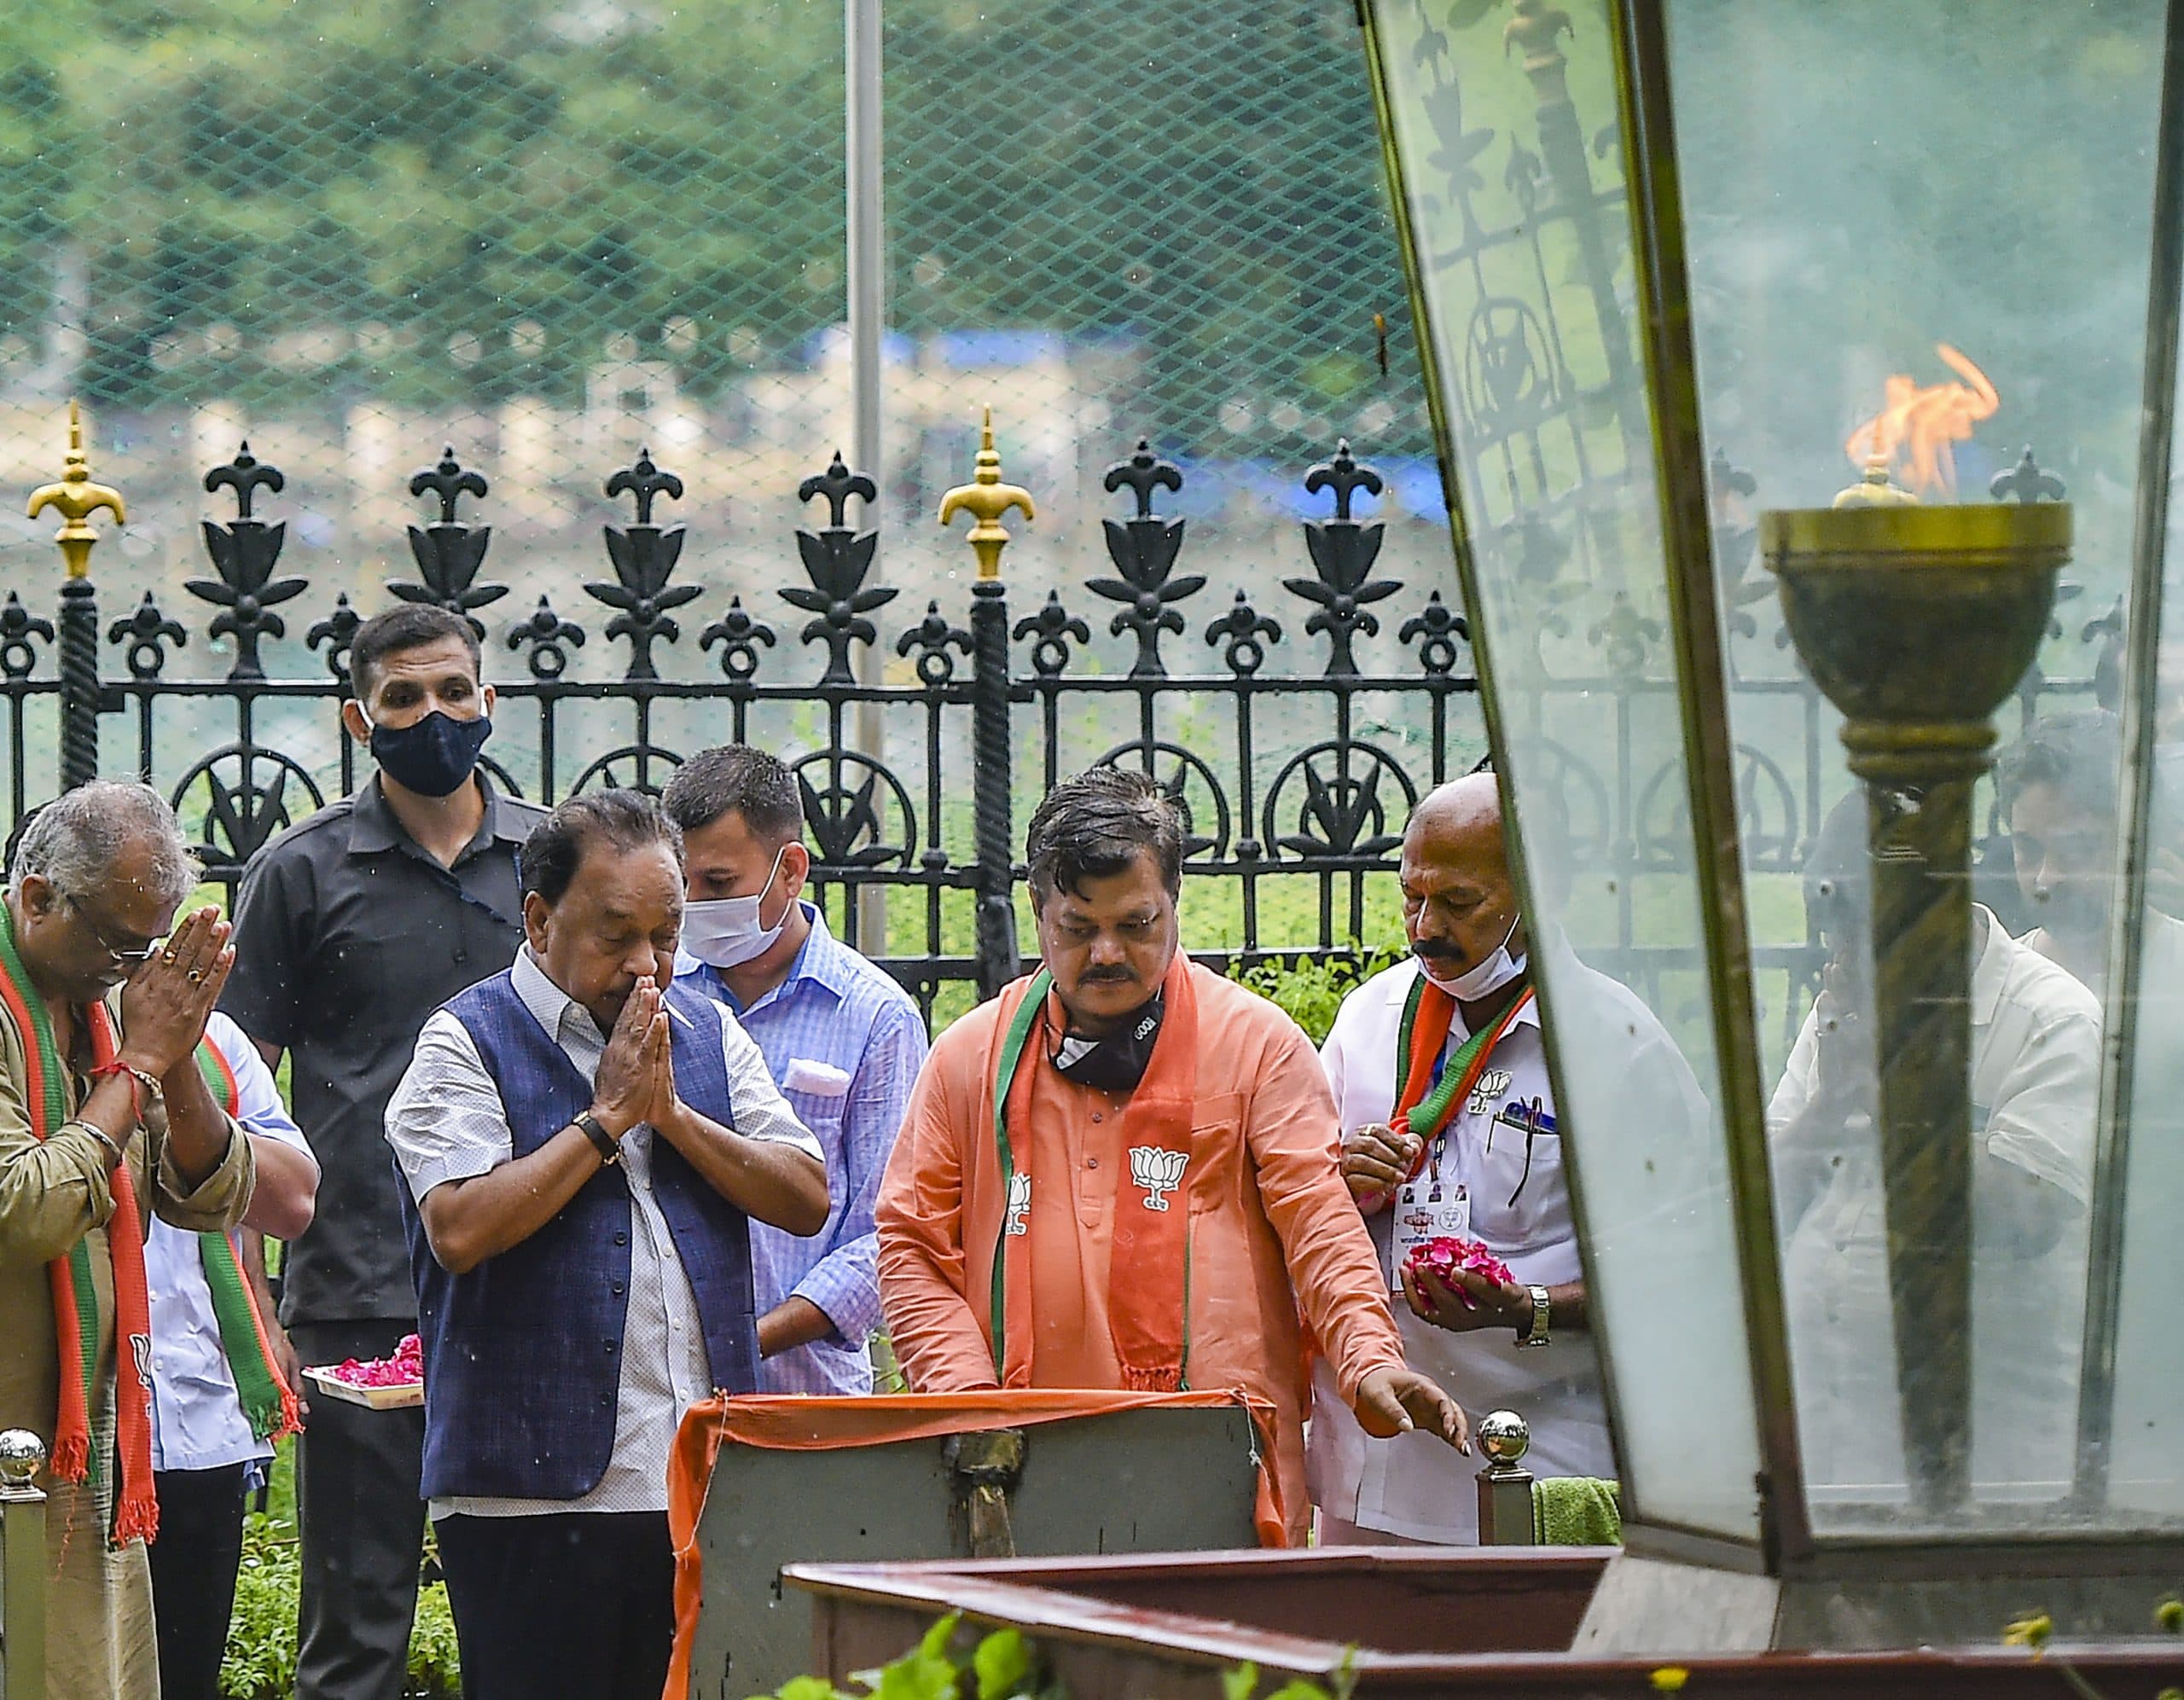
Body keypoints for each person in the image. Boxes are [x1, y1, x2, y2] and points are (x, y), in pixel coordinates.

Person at [876, 768, 1466, 1543]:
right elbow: (912, 1245)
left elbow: (1320, 1223)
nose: (1108, 953)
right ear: (1037, 912)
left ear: (1177, 901)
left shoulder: (1257, 1048)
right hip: (1017, 1469)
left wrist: (1366, 1357)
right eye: (1078, 928)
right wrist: (971, 1403)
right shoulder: (970, 1057)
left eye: (1138, 923)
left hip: (1218, 1470)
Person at [385, 790, 827, 1700]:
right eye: (615, 933)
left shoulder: (705, 1030)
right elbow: (459, 1226)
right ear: (539, 918)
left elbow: (804, 1195)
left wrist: (670, 1115)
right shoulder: (462, 1040)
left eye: (666, 935)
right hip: (531, 1503)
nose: (647, 963)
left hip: (702, 1492)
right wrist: (605, 1121)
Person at [219, 603, 545, 1700]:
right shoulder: (299, 874)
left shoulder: (551, 862)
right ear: (358, 718)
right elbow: (235, 1089)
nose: (433, 716)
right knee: (358, 1624)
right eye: (403, 698)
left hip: (533, 1282)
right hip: (358, 1287)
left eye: (454, 692)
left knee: (535, 1605)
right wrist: (252, 1294)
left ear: (488, 701)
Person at [1308, 774, 1702, 1545]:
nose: (1424, 927)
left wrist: (1529, 1305)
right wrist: (1344, 1187)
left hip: (1537, 1459)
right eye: (1410, 897)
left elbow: (1683, 1265)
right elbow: (1297, 1214)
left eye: (1459, 903)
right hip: (1374, 1465)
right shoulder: (1367, 1019)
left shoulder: (1616, 1047)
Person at [0, 780, 258, 1700]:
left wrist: (173, 1051)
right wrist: (138, 1063)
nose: (129, 969)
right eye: (116, 941)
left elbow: (213, 1195)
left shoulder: (101, 1006)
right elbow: (23, 1210)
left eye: (146, 947)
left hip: (87, 1442)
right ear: (36, 899)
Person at [1769, 790, 2100, 1499]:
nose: (1839, 959)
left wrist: (1889, 1088)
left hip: (1988, 1458)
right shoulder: (1848, 1003)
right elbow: (1769, 1194)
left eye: (1859, 937)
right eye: (1834, 937)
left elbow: (2028, 1210)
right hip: (1833, 1440)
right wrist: (1833, 1100)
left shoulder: (2053, 1018)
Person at [662, 746, 928, 1392]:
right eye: (682, 884)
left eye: (719, 884)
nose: (695, 905)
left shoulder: (875, 1017)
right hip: (657, 1395)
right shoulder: (659, 997)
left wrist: (747, 1337)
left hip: (807, 1393)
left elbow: (888, 1234)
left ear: (792, 870)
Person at [145, 1011, 319, 1700]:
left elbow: (291, 1199)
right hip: (78, 1414)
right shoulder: (28, 1026)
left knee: (185, 1671)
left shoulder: (214, 1039)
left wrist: (181, 1090)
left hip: (198, 1417)